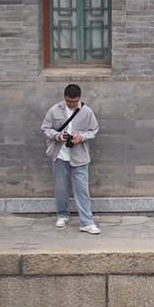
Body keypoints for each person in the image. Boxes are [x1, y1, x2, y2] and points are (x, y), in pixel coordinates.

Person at [43, 84, 99, 235]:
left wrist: (81, 137)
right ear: (65, 98)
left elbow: (94, 130)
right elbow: (46, 128)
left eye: (74, 102)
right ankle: (62, 215)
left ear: (79, 98)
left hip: (80, 156)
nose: (72, 104)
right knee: (61, 188)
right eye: (69, 102)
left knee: (82, 190)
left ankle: (87, 222)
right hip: (59, 155)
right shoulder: (55, 110)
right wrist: (57, 136)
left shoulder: (87, 111)